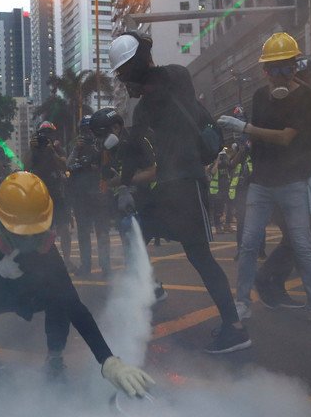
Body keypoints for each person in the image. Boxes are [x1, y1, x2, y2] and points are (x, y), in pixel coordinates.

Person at [0, 172, 155, 396]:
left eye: (37, 232)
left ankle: (55, 360)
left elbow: (74, 305)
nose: (31, 242)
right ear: (3, 220)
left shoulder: (45, 253)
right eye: (23, 234)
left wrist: (109, 361)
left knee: (59, 297)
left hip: (32, 293)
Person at [109, 31, 250, 352]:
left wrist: (126, 184)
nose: (125, 83)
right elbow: (133, 147)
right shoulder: (168, 83)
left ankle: (235, 327)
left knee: (200, 257)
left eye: (126, 74)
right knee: (134, 231)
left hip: (189, 184)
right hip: (169, 189)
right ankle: (150, 291)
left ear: (139, 66)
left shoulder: (167, 84)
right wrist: (128, 185)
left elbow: (132, 147)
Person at [217, 32, 311, 328]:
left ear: (295, 67)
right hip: (262, 182)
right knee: (249, 244)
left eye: (287, 68)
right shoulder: (258, 95)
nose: (280, 76)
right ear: (264, 71)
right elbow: (258, 140)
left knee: (303, 244)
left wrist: (244, 127)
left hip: (292, 181)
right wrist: (245, 139)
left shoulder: (305, 97)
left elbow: (285, 137)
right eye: (273, 69)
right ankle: (242, 302)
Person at [88, 107, 167, 302]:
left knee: (135, 246)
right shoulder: (107, 148)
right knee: (131, 248)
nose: (100, 138)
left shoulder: (137, 140)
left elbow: (152, 172)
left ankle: (151, 290)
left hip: (149, 200)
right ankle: (151, 288)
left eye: (104, 133)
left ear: (116, 126)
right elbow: (104, 176)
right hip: (124, 204)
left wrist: (125, 181)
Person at [24, 121, 74, 270]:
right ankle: (44, 260)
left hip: (57, 192)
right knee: (41, 230)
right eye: (43, 134)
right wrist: (32, 149)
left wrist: (52, 151)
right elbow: (25, 167)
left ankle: (67, 259)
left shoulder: (57, 149)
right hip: (39, 193)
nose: (46, 137)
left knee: (64, 227)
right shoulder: (34, 150)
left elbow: (65, 166)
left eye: (49, 134)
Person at [67, 115, 110, 277]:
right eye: (83, 131)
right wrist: (76, 149)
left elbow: (106, 165)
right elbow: (68, 165)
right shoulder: (77, 147)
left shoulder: (101, 145)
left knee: (102, 231)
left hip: (97, 194)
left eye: (89, 130)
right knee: (83, 232)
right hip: (81, 196)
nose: (87, 134)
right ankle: (86, 266)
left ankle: (106, 266)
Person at [208, 149, 232, 233]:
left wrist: (227, 158)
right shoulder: (214, 165)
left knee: (225, 208)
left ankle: (226, 225)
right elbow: (212, 171)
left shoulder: (226, 165)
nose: (222, 158)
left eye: (223, 156)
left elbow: (231, 166)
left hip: (226, 189)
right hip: (217, 191)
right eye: (221, 156)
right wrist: (217, 161)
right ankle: (218, 226)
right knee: (217, 209)